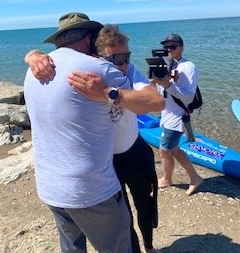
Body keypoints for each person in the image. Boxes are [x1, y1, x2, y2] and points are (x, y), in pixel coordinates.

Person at [25, 25, 165, 253]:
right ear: (93, 54)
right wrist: (33, 57)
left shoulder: (125, 72)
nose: (123, 63)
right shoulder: (90, 72)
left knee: (146, 207)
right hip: (107, 161)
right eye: (116, 58)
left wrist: (108, 93)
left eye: (126, 56)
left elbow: (156, 101)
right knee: (122, 218)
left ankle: (149, 247)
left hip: (134, 151)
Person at [152, 33, 203, 196]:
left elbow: (188, 97)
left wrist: (168, 84)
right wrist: (156, 82)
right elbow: (162, 90)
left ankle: (167, 179)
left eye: (173, 47)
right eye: (166, 47)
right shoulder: (168, 63)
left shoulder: (189, 67)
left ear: (182, 47)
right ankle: (195, 177)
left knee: (164, 150)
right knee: (173, 149)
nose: (169, 50)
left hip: (178, 116)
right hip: (167, 114)